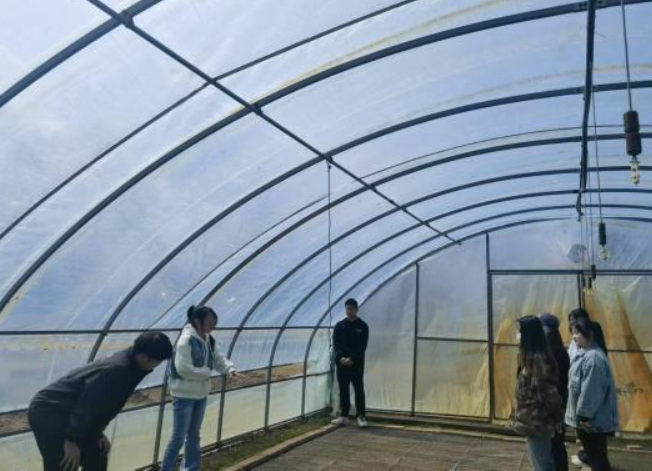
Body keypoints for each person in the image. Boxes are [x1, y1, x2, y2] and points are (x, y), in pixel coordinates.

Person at [28, 331, 173, 471]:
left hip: (73, 413)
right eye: (158, 361)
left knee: (98, 454)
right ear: (143, 357)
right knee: (65, 463)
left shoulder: (134, 365)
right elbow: (87, 405)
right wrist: (71, 440)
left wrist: (97, 433)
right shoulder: (117, 370)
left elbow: (104, 405)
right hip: (50, 412)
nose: (157, 365)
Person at [161, 306, 238, 471]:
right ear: (197, 321)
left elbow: (218, 359)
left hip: (201, 394)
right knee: (178, 437)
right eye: (210, 321)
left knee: (194, 435)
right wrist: (206, 372)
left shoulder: (208, 339)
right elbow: (183, 369)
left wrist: (229, 369)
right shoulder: (186, 340)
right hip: (184, 395)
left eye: (214, 322)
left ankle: (190, 468)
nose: (213, 325)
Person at [565, 318, 618, 471]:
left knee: (597, 460)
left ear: (590, 334)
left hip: (591, 421)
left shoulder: (593, 358)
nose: (574, 337)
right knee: (596, 458)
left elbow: (591, 391)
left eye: (577, 333)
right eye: (573, 333)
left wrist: (584, 416)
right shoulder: (586, 354)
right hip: (589, 420)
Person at [512, 315, 563, 471]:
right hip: (532, 421)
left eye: (520, 331)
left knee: (542, 464)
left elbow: (549, 395)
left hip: (538, 421)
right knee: (538, 462)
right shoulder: (529, 357)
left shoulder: (539, 360)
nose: (517, 335)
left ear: (529, 334)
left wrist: (555, 417)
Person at [539, 313, 571, 471]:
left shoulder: (555, 352)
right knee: (555, 443)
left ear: (548, 329)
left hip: (555, 406)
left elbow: (558, 383)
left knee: (556, 444)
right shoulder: (556, 350)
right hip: (556, 404)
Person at [332, 298, 369, 428]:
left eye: (351, 309)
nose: (349, 311)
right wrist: (340, 358)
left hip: (356, 364)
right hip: (342, 365)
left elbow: (362, 346)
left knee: (358, 389)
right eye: (347, 309)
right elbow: (336, 345)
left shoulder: (362, 326)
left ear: (356, 310)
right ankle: (344, 416)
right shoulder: (339, 326)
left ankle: (361, 416)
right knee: (343, 389)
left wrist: (352, 359)